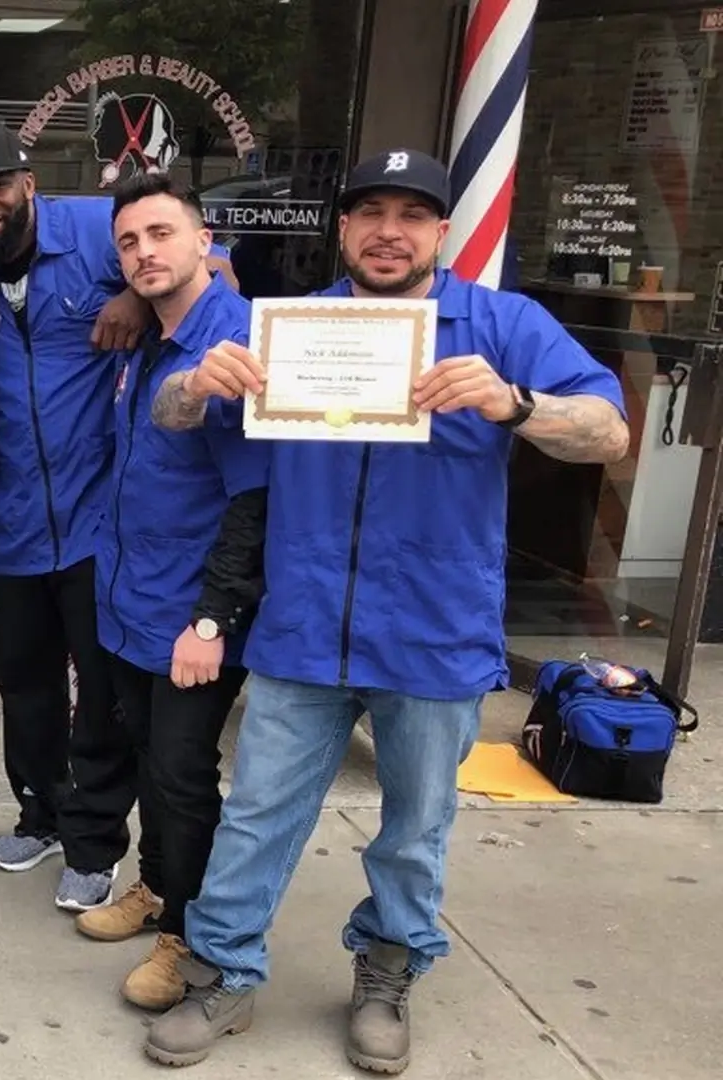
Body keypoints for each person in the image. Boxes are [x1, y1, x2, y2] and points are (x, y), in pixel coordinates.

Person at [141, 151, 631, 1072]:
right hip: (302, 626)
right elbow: (171, 414)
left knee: (415, 825)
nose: (389, 231)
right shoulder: (288, 329)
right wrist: (197, 382)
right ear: (343, 229)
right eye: (370, 213)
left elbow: (608, 429)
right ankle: (223, 974)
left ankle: (388, 968)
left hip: (434, 634)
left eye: (413, 214)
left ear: (442, 232)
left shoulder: (500, 325)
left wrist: (515, 402)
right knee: (257, 816)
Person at [0, 120, 230, 912]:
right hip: (14, 521)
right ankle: (39, 812)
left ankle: (95, 844)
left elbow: (210, 271)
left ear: (28, 184)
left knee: (99, 699)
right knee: (23, 685)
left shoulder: (101, 234)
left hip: (103, 521)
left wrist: (135, 293)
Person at [79, 172, 267, 1013]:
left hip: (189, 617)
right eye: (129, 242)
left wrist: (212, 619)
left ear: (205, 241)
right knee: (154, 763)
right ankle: (156, 886)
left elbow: (254, 499)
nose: (146, 252)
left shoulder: (230, 351)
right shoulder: (153, 338)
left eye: (161, 234)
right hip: (129, 600)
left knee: (186, 776)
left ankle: (190, 935)